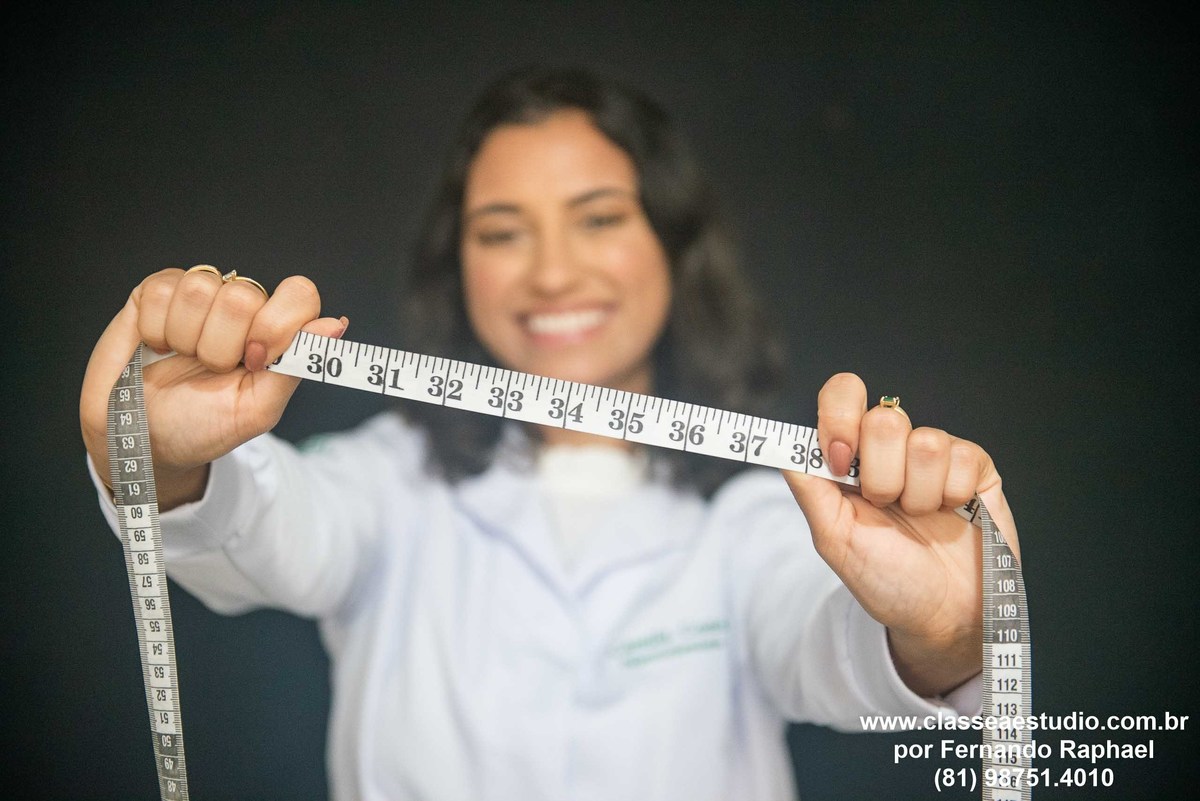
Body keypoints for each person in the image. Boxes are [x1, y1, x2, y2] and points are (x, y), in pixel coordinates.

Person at [80, 68, 1018, 800]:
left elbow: (832, 651)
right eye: (501, 232)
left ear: (672, 245)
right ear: (461, 269)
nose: (552, 272)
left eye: (599, 218)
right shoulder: (385, 483)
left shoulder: (758, 521)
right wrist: (161, 459)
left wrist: (947, 630)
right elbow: (268, 526)